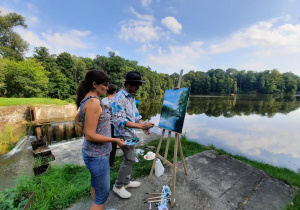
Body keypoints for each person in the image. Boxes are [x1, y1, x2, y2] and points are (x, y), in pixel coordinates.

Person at [74, 70, 126, 210]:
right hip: (98, 155)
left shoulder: (86, 100)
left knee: (95, 185)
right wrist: (114, 140)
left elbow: (77, 120)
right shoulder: (93, 102)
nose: (107, 88)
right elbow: (90, 135)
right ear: (94, 84)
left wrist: (92, 128)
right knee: (102, 195)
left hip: (92, 153)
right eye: (105, 84)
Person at [111, 71, 154, 199]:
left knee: (131, 157)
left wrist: (143, 125)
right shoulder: (119, 98)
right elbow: (120, 121)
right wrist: (141, 126)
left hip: (131, 133)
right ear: (129, 83)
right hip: (123, 135)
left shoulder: (131, 96)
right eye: (137, 84)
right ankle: (118, 186)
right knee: (129, 159)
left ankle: (126, 182)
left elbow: (135, 114)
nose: (139, 87)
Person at [101, 84, 118, 167]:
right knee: (113, 144)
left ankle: (104, 160)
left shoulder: (102, 100)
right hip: (114, 125)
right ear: (115, 92)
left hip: (105, 124)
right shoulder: (117, 101)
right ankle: (111, 163)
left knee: (106, 143)